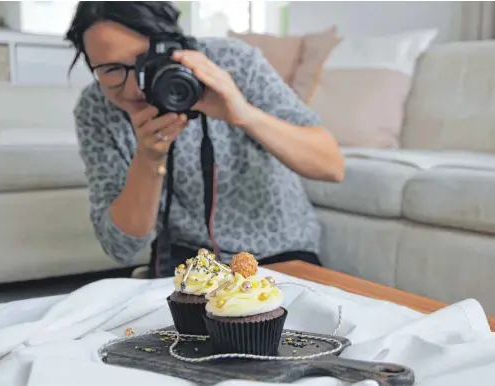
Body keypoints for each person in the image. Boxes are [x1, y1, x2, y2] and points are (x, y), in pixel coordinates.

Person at [65, 2, 344, 278]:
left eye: (144, 62)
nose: (134, 87)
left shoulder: (232, 62)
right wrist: (148, 159)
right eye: (111, 69)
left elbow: (331, 166)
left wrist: (243, 114)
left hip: (279, 254)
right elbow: (121, 246)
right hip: (187, 264)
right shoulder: (97, 108)